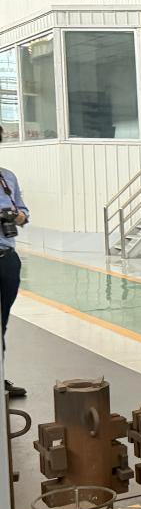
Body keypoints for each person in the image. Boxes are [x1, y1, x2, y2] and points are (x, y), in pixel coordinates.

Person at [0, 126, 29, 398]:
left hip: (7, 258)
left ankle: (0, 378)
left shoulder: (7, 177)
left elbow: (24, 212)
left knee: (2, 322)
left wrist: (17, 216)